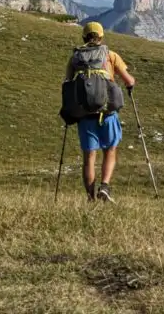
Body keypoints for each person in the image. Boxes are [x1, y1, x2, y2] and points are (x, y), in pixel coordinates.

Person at [64, 21, 136, 203]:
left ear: (83, 37)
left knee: (89, 157)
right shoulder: (110, 55)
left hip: (84, 115)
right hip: (107, 112)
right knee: (110, 149)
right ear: (101, 37)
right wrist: (130, 83)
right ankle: (104, 186)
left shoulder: (75, 58)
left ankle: (90, 198)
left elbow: (67, 83)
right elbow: (129, 80)